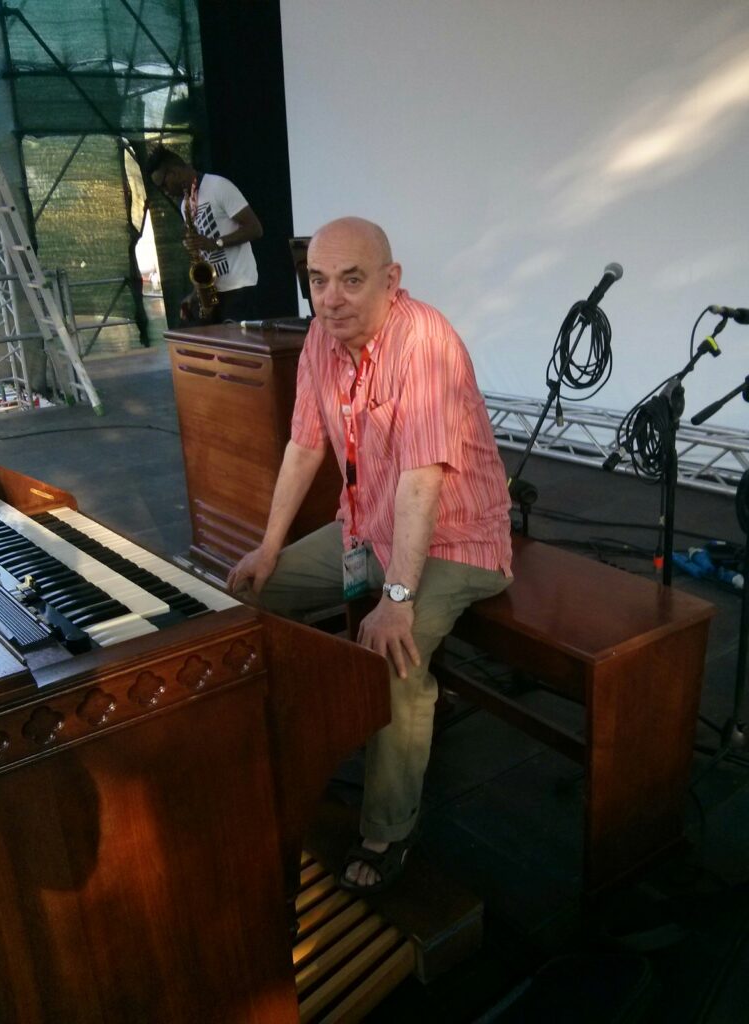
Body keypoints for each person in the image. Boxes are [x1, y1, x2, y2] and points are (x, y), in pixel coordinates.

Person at [227, 217, 513, 893]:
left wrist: (398, 598)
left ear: (391, 280)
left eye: (351, 280)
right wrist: (268, 548)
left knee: (393, 657)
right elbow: (304, 446)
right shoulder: (320, 342)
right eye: (318, 281)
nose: (331, 299)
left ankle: (389, 828)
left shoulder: (425, 342)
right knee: (247, 594)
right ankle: (288, 746)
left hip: (458, 539)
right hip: (370, 528)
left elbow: (423, 480)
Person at [146, 145, 263, 325]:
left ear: (174, 172)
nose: (165, 191)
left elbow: (255, 228)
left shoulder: (219, 186)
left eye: (163, 184)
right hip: (215, 291)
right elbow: (202, 256)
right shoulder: (185, 205)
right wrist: (196, 293)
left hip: (239, 288)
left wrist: (216, 243)